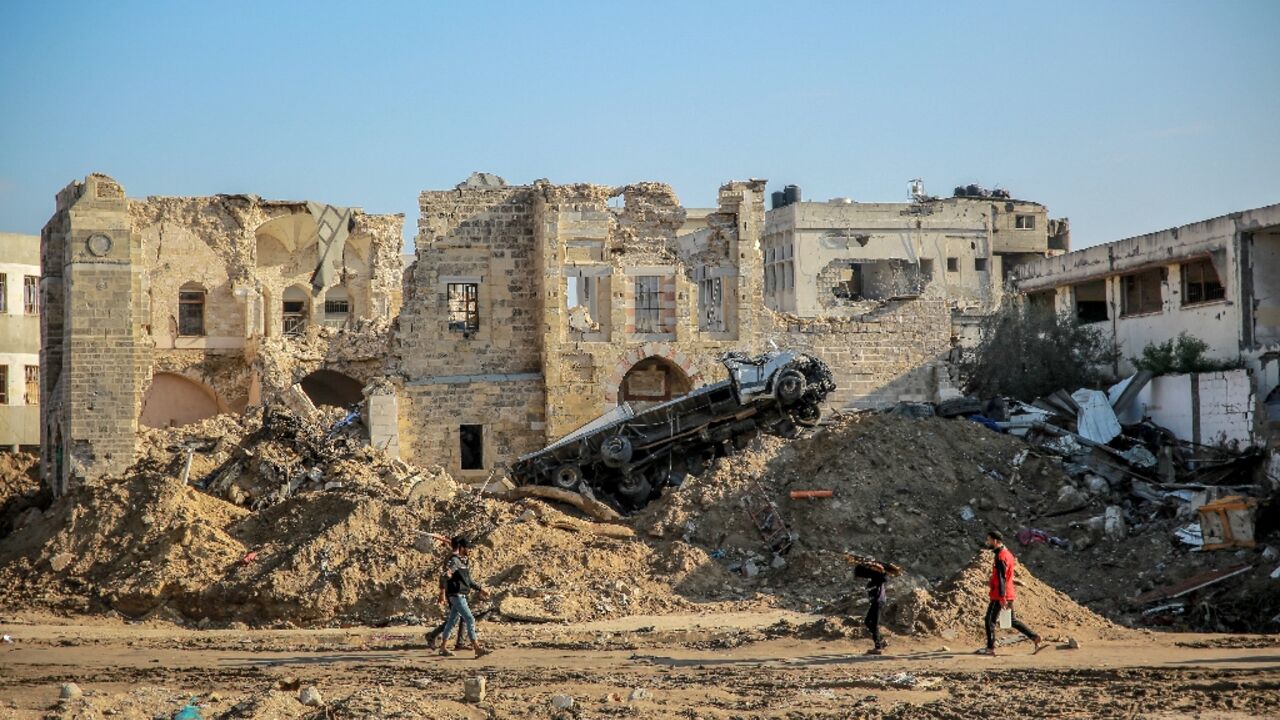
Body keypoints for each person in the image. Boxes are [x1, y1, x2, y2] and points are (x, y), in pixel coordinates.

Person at [978, 530, 1043, 656]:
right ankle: (1034, 637)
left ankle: (990, 649)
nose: (988, 542)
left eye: (989, 540)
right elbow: (1007, 575)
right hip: (1008, 592)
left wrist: (1002, 597)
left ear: (995, 541)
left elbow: (1002, 577)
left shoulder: (1001, 556)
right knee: (1011, 620)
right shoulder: (1008, 554)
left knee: (989, 620)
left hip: (1000, 594)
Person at [437, 535, 491, 658]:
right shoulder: (455, 560)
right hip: (457, 595)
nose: (470, 550)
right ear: (461, 547)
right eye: (467, 548)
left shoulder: (461, 561)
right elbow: (444, 575)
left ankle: (443, 647)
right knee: (470, 619)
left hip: (460, 595)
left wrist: (481, 589)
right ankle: (477, 648)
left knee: (452, 621)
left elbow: (468, 581)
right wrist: (442, 593)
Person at [845, 553, 903, 656]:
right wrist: (855, 561)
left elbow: (883, 572)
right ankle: (880, 641)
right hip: (875, 601)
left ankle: (878, 648)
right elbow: (860, 571)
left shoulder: (880, 575)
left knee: (874, 624)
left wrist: (876, 566)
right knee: (868, 622)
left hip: (878, 601)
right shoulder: (873, 575)